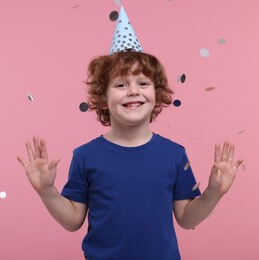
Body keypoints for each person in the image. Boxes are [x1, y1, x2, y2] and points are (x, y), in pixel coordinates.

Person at [17, 6, 243, 259]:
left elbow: (186, 219)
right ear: (103, 99)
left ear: (157, 95)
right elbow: (72, 221)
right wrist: (46, 191)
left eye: (143, 83)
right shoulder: (85, 156)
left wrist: (214, 192)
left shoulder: (175, 155)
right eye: (121, 84)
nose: (133, 91)